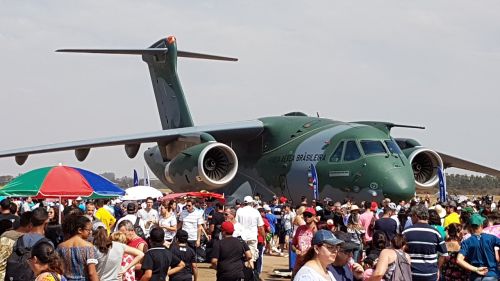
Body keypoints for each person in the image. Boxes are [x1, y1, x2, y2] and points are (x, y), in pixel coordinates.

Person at [403, 205, 448, 281]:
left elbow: (399, 251)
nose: (410, 218)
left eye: (411, 216)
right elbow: (443, 254)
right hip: (430, 274)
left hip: (410, 274)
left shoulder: (406, 232)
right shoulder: (435, 232)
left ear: (416, 215)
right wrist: (438, 268)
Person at [457, 213, 500, 280]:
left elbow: (459, 260)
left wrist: (476, 269)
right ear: (481, 225)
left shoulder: (466, 242)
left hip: (475, 276)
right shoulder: (492, 238)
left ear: (470, 227)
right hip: (492, 275)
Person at [57, 214, 99, 281]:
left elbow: (58, 268)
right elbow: (92, 273)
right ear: (79, 230)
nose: (90, 232)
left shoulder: (61, 246)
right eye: (88, 230)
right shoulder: (88, 246)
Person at [235, 196, 265, 266]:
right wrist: (264, 238)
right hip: (252, 237)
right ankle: (250, 275)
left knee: (242, 258)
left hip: (241, 237)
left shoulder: (239, 211)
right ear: (251, 203)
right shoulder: (256, 211)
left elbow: (236, 224)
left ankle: (243, 275)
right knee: (251, 258)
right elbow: (260, 227)